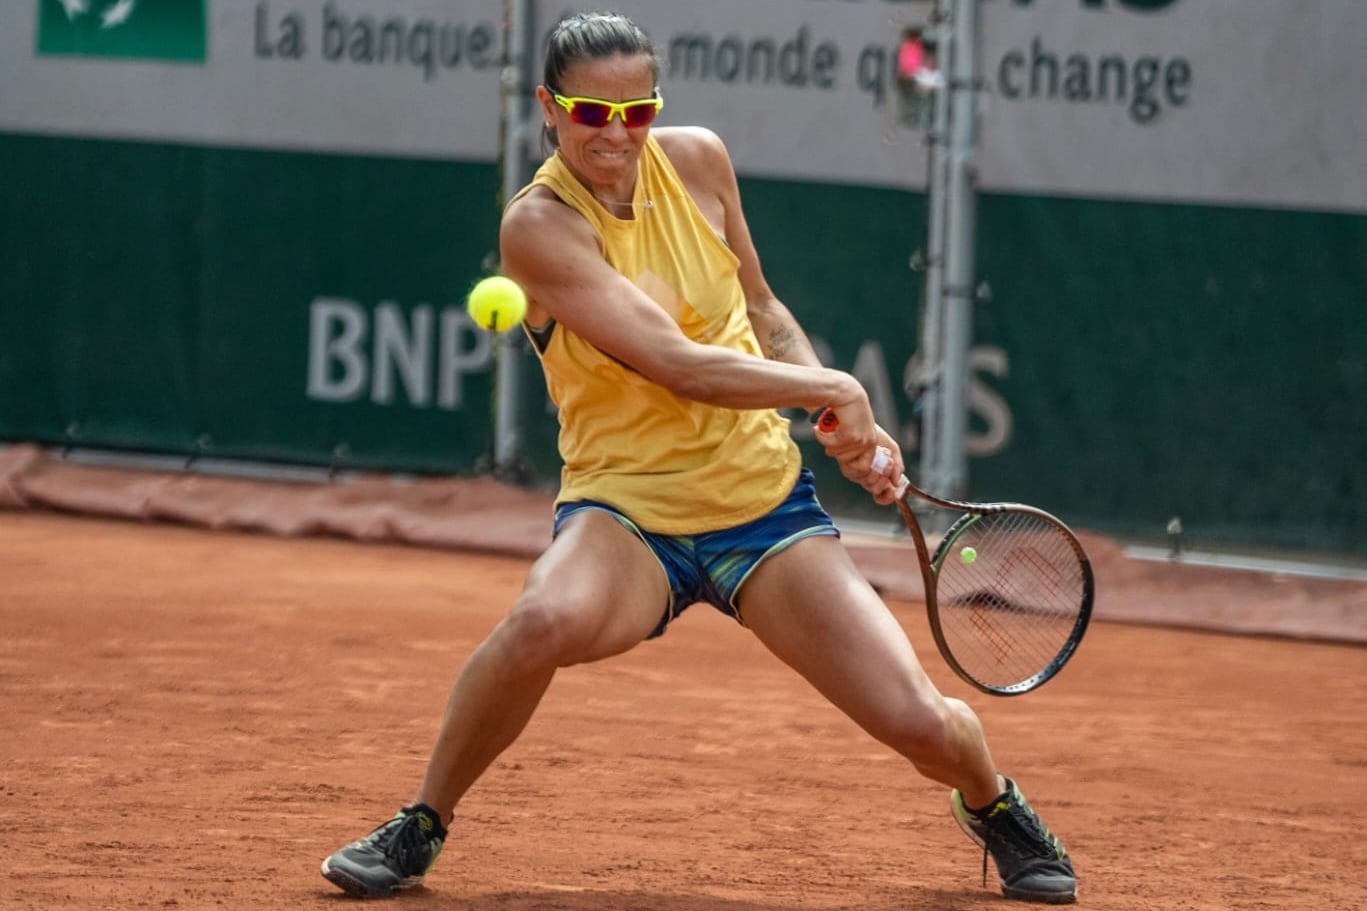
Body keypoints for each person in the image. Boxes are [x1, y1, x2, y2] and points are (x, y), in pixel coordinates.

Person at [320, 10, 1076, 905]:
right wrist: (830, 388)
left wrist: (844, 424)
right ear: (548, 111)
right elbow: (675, 364)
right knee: (540, 622)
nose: (614, 134)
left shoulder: (700, 163)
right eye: (589, 113)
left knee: (919, 722)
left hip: (763, 512)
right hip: (626, 512)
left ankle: (991, 802)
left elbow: (760, 309)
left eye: (634, 111)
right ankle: (422, 822)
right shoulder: (538, 228)